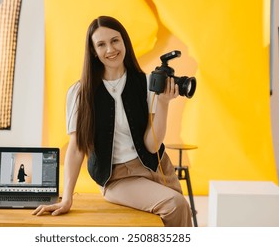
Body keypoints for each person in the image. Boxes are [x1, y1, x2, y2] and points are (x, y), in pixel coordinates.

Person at [33, 16, 192, 226]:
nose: (110, 49)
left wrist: (163, 104)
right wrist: (67, 197)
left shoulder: (145, 83)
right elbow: (76, 148)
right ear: (94, 52)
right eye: (101, 44)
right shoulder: (81, 93)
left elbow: (152, 145)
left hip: (156, 166)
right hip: (118, 178)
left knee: (176, 215)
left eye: (115, 40)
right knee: (176, 204)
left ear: (124, 41)